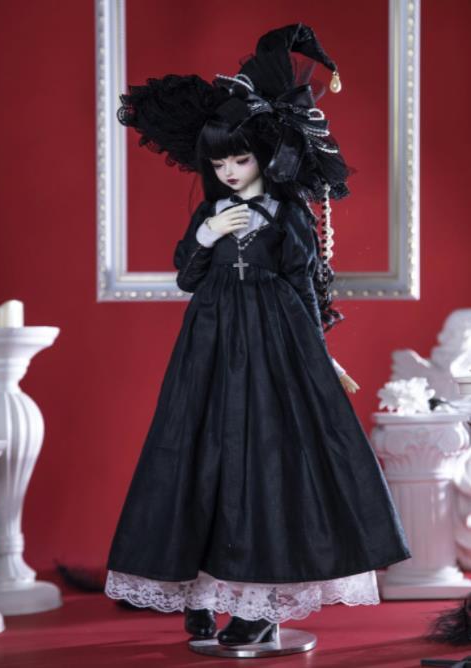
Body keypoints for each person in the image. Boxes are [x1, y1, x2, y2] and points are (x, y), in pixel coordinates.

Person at [104, 23, 411, 646]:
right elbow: (188, 275)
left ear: (264, 156)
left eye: (239, 159)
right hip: (210, 345)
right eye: (219, 162)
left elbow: (305, 283)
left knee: (269, 460)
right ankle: (200, 591)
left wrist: (320, 356)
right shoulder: (211, 212)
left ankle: (261, 601)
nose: (229, 171)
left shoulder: (287, 214)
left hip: (276, 345)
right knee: (199, 454)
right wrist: (206, 236)